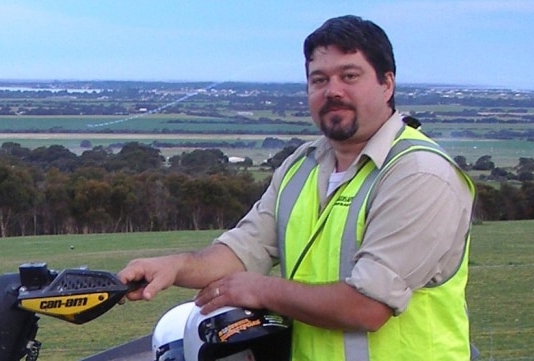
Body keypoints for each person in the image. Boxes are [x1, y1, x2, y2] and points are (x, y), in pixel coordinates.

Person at [119, 14, 476, 361]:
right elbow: (244, 251)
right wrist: (173, 267)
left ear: (387, 83)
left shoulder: (420, 174)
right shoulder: (301, 167)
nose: (333, 90)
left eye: (349, 76)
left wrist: (261, 289)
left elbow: (368, 307)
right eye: (319, 80)